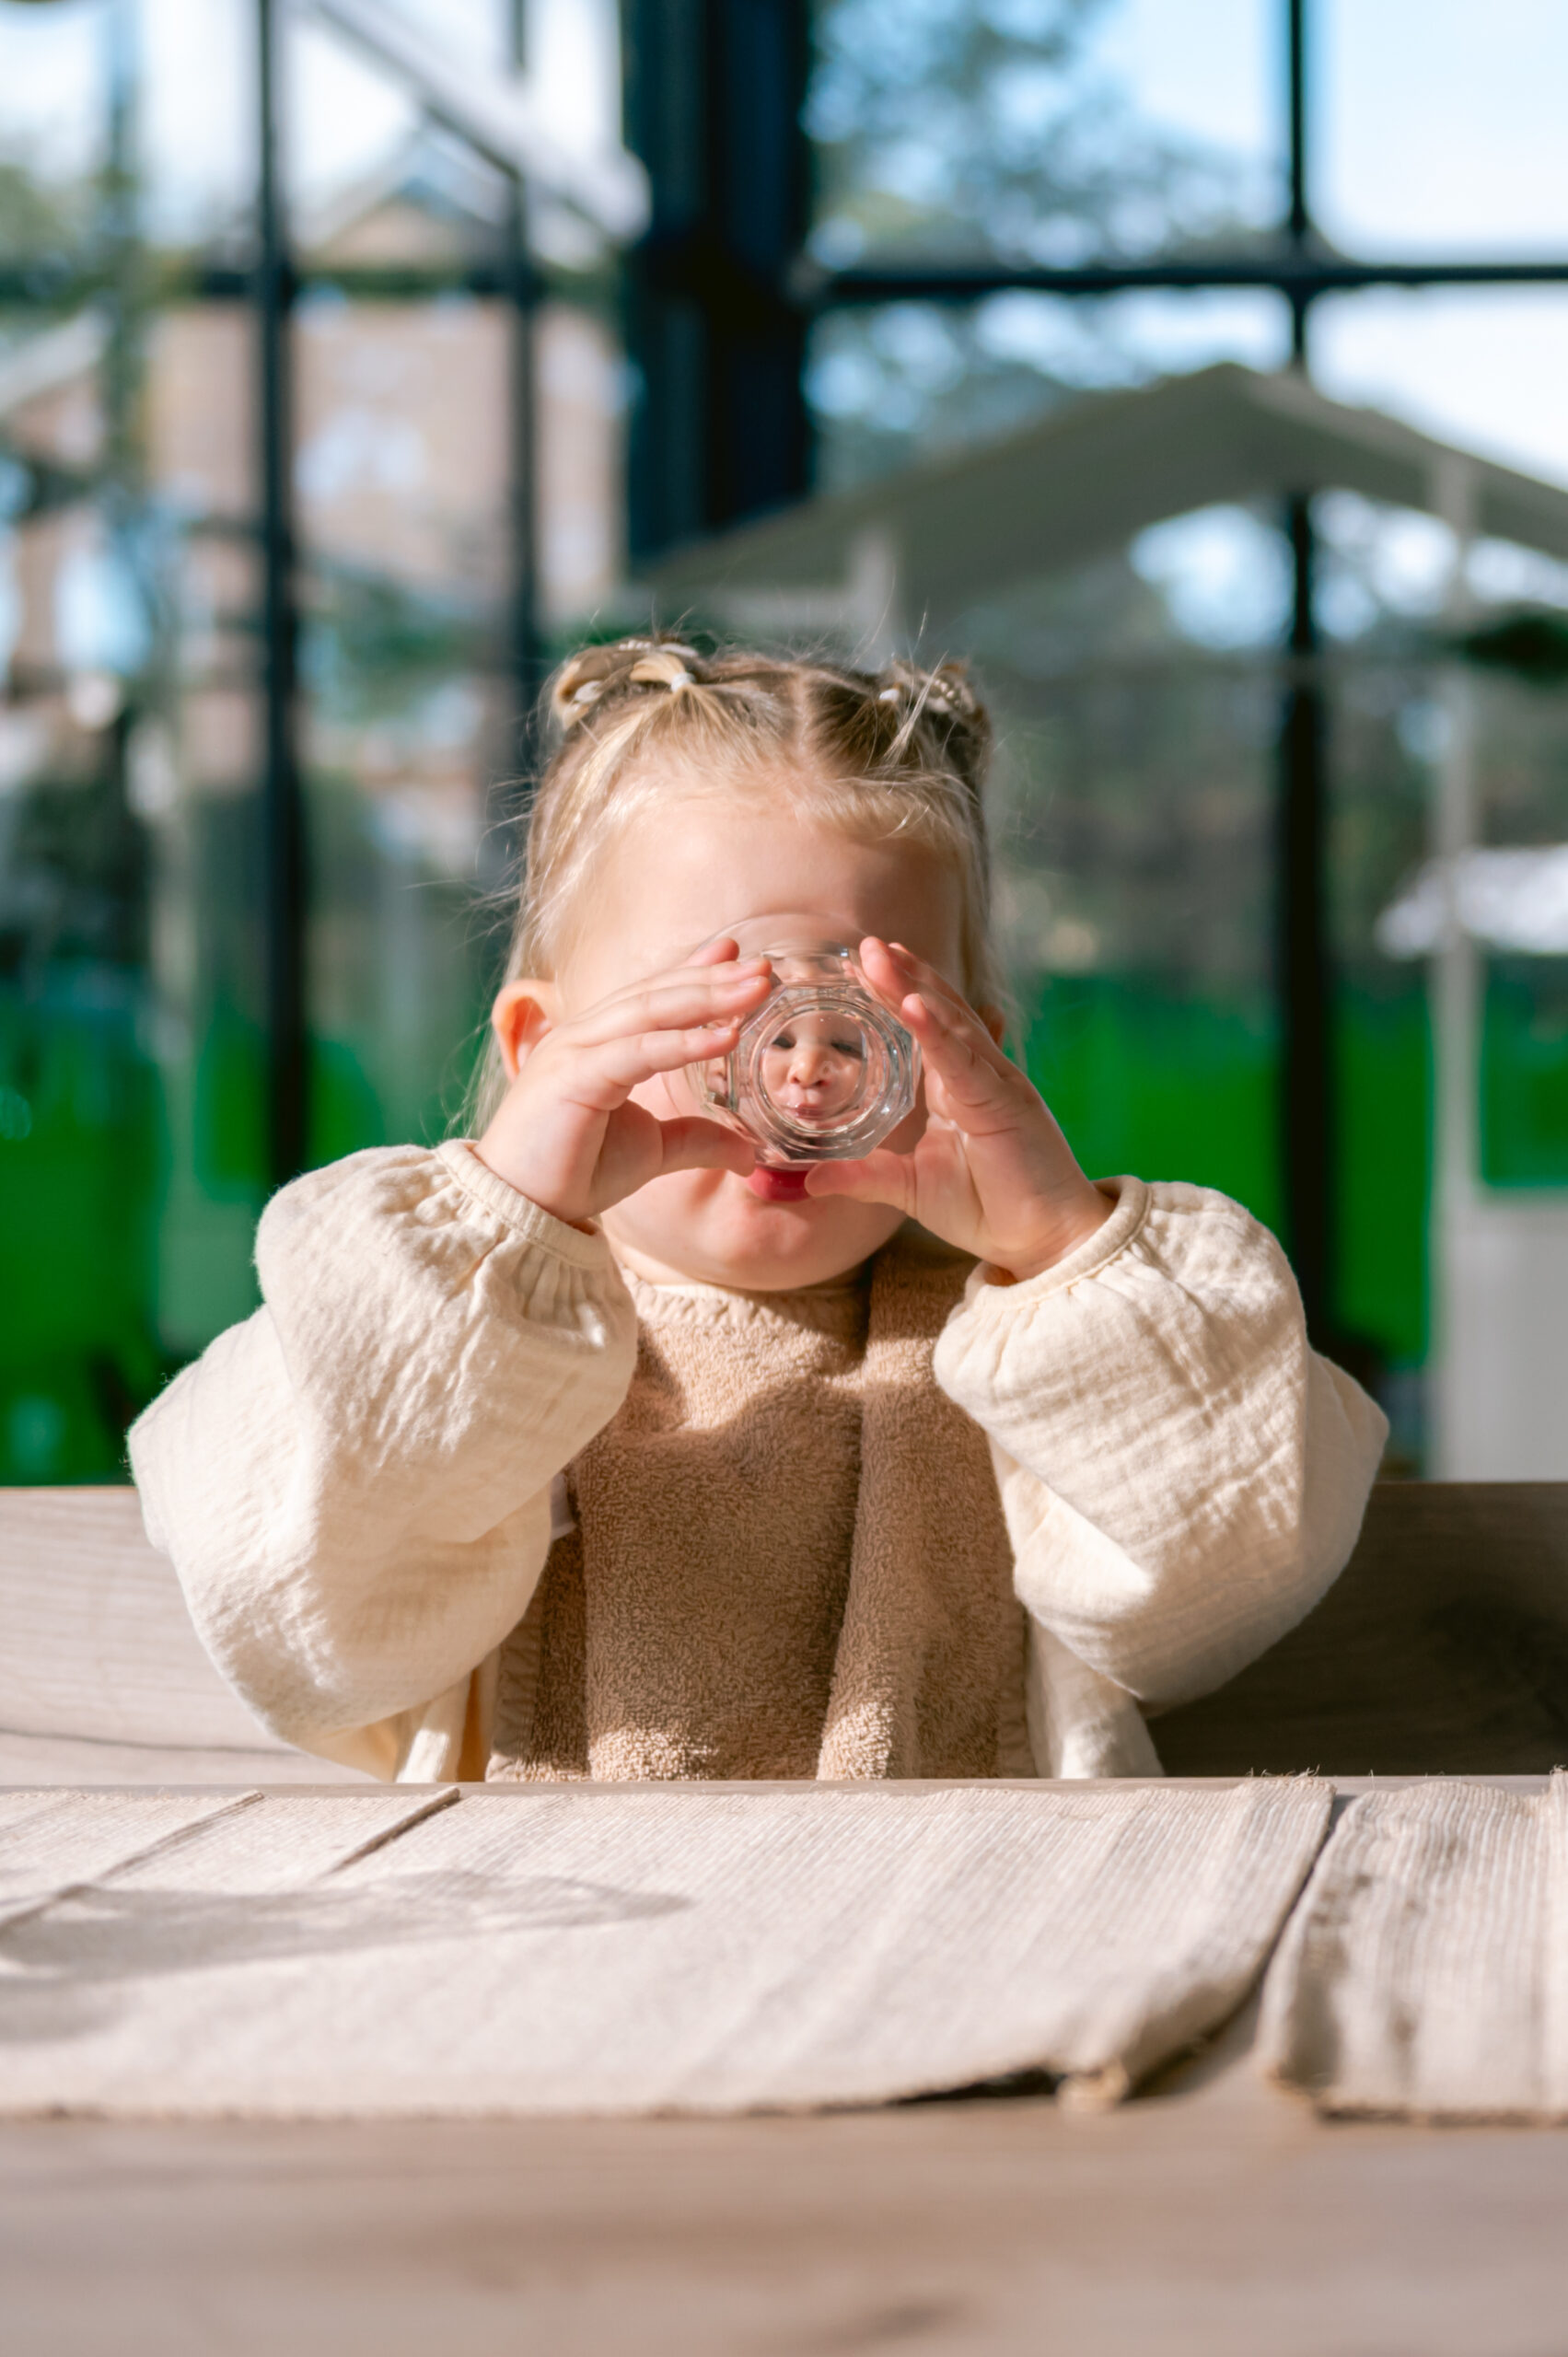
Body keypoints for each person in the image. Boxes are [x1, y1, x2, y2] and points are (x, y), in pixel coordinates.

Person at [130, 637, 1388, 1785]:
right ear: (542, 1046)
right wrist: (501, 1220)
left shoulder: (1035, 1367)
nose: (796, 1068)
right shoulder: (474, 1350)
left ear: (971, 1058)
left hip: (950, 1966)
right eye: (712, 1012)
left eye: (863, 1019)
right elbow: (295, 1598)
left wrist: (1065, 1252)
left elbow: (1231, 1565)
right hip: (557, 1986)